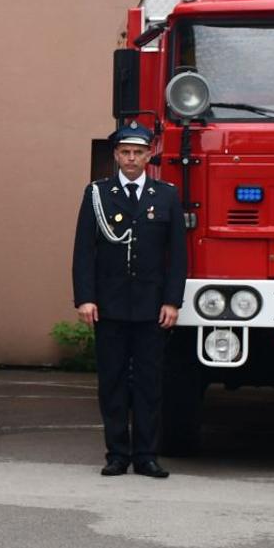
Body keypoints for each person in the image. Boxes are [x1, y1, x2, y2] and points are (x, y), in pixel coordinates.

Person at [70, 123, 185, 478]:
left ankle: (146, 455)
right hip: (110, 305)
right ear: (116, 156)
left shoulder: (165, 195)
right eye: (125, 153)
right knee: (113, 382)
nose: (131, 159)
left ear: (149, 156)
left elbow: (177, 256)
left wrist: (172, 301)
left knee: (150, 384)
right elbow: (83, 253)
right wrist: (85, 298)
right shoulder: (97, 194)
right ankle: (117, 453)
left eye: (138, 152)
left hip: (152, 308)